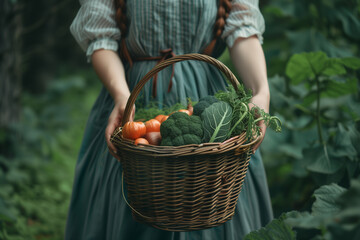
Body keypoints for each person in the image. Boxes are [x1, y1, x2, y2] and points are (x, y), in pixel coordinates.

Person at [65, 0, 273, 239]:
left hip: (206, 96)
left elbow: (242, 30)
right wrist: (122, 94)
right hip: (133, 95)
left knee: (214, 186)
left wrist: (261, 91)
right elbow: (101, 38)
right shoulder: (127, 97)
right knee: (135, 191)